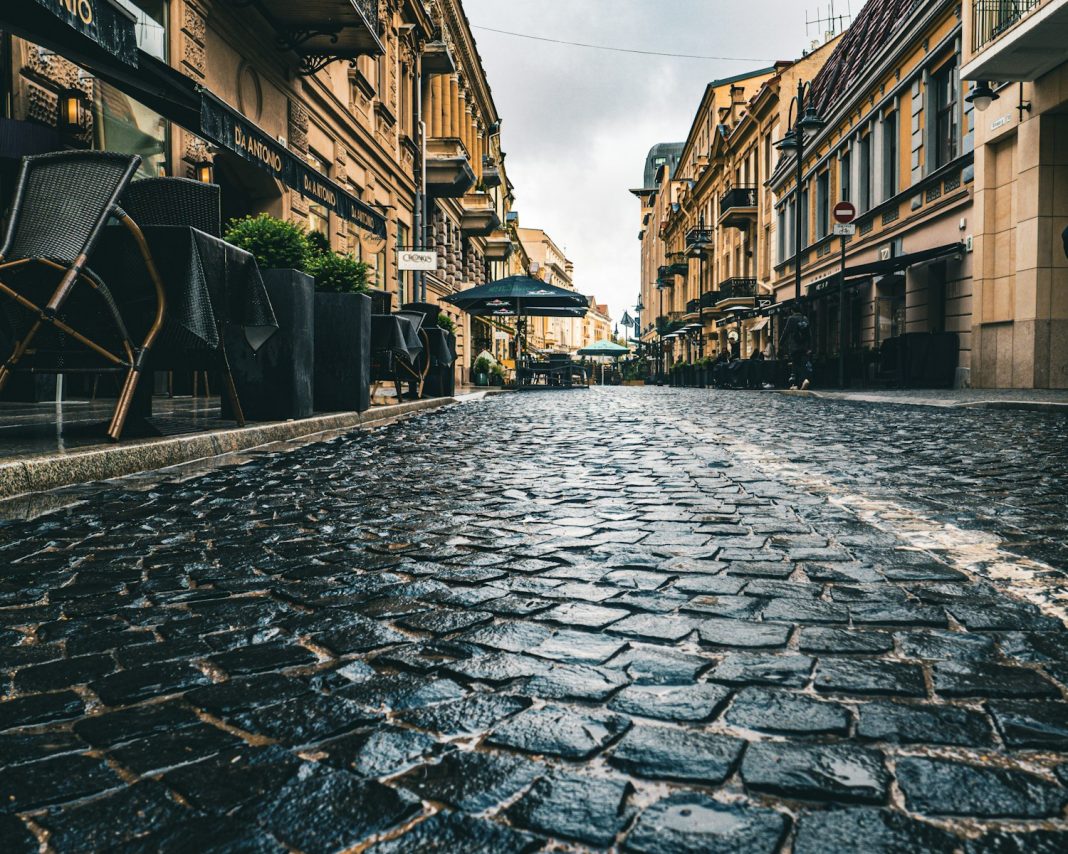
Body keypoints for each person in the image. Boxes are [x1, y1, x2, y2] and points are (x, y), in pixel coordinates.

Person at [778, 308, 812, 390]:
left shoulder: (791, 319)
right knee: (803, 364)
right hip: (804, 346)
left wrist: (781, 343)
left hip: (795, 346)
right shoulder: (805, 318)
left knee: (795, 364)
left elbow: (786, 331)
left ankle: (797, 384)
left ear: (792, 311)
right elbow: (809, 334)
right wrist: (809, 346)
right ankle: (804, 380)